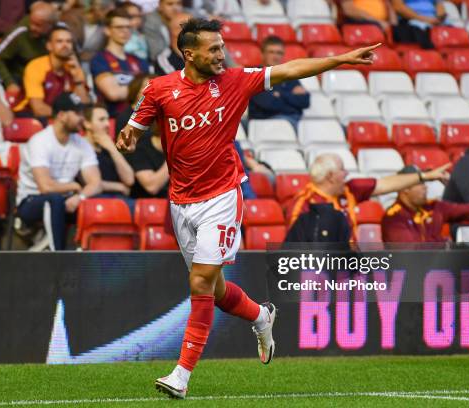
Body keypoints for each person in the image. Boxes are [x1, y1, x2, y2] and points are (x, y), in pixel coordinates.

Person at [116, 17, 381, 399]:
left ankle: (181, 375)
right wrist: (129, 134)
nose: (221, 55)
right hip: (180, 202)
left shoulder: (236, 81)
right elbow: (135, 124)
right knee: (217, 291)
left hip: (222, 197)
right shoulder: (159, 89)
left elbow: (290, 69)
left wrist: (341, 58)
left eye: (222, 47)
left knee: (200, 282)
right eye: (213, 49)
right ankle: (261, 315)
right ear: (188, 54)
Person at [286, 153, 450, 239]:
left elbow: (385, 184)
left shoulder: (350, 190)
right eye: (342, 170)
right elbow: (296, 247)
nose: (346, 174)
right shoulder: (304, 203)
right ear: (330, 176)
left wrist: (424, 177)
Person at [16, 92, 102, 251]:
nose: (82, 118)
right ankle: (58, 256)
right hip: (31, 200)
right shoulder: (40, 141)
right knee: (54, 200)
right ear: (61, 115)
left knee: (95, 205)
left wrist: (80, 196)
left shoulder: (81, 144)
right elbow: (45, 187)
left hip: (67, 200)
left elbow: (96, 183)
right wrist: (74, 186)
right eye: (77, 113)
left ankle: (91, 256)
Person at [382, 165, 469, 244]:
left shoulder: (434, 207)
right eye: (420, 183)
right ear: (405, 188)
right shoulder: (393, 217)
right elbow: (410, 254)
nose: (425, 188)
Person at [17, 26, 90, 118]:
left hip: (64, 119)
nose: (65, 45)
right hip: (30, 117)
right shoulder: (36, 67)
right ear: (49, 46)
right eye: (59, 41)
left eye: (69, 41)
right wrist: (66, 117)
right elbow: (38, 109)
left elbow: (83, 106)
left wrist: (78, 81)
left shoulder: (74, 67)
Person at [91, 8, 150, 117]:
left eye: (128, 27)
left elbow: (151, 91)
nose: (125, 31)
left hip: (141, 120)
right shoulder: (100, 59)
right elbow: (112, 93)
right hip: (114, 120)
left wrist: (123, 90)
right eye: (119, 27)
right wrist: (140, 90)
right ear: (107, 30)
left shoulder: (139, 61)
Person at [0, 1, 60, 94]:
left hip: (50, 80)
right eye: (31, 22)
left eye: (38, 25)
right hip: (21, 81)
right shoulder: (20, 32)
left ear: (50, 26)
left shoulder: (61, 32)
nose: (32, 27)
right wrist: (9, 82)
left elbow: (71, 57)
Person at [248, 36, 310, 130]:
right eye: (271, 52)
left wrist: (280, 95)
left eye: (279, 53)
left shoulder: (288, 74)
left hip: (291, 120)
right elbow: (268, 104)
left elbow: (305, 101)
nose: (275, 56)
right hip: (265, 123)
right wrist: (292, 98)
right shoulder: (255, 75)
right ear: (262, 54)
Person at [82, 105, 135, 210]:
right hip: (93, 199)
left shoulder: (109, 147)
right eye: (101, 120)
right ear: (87, 124)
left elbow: (129, 180)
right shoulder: (80, 147)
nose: (107, 124)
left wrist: (112, 149)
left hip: (117, 198)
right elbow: (88, 183)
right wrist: (119, 187)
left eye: (107, 119)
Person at [154, 11, 190, 75]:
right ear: (174, 31)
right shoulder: (165, 59)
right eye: (188, 27)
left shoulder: (204, 53)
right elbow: (176, 82)